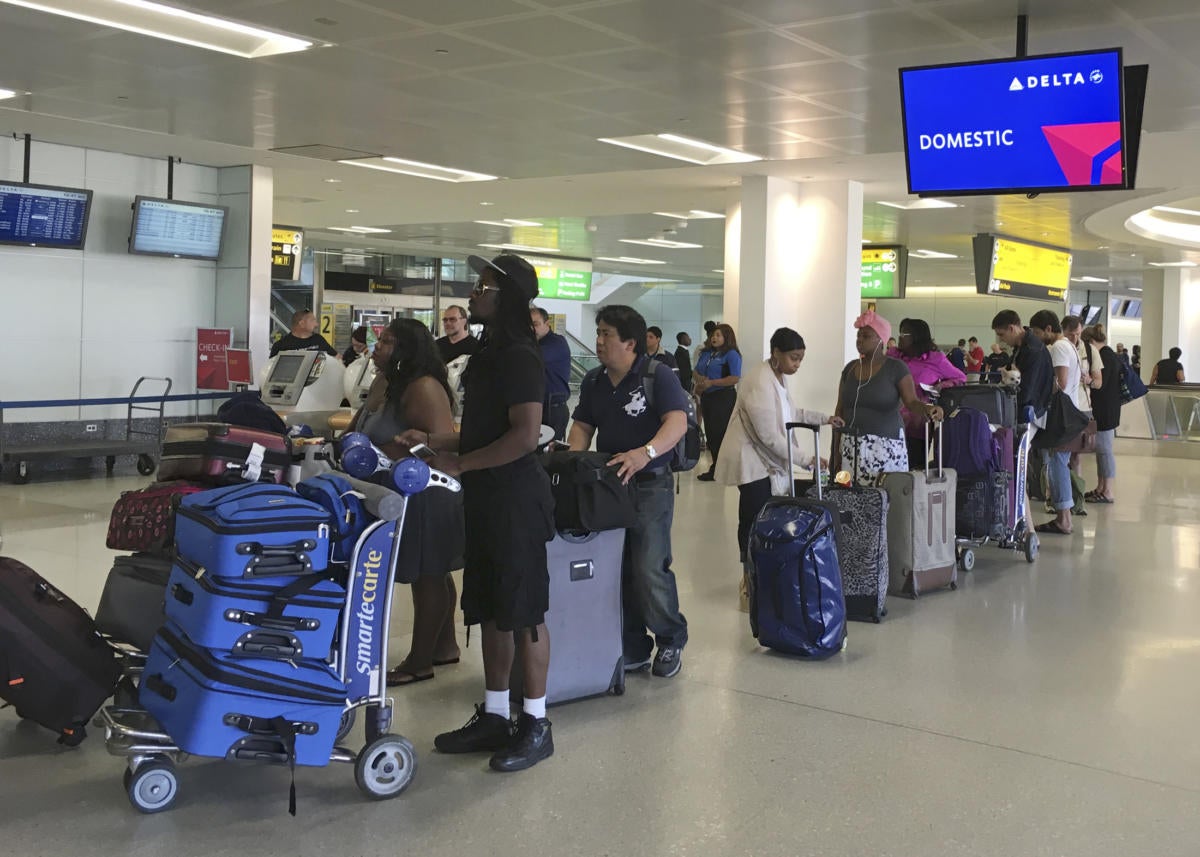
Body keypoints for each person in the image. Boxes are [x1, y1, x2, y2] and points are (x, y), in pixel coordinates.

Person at [396, 253, 556, 773]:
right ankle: (494, 713)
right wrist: (432, 439)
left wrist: (462, 463)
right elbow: (483, 428)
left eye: (482, 287)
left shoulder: (520, 356)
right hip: (486, 498)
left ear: (506, 295)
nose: (472, 294)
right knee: (487, 606)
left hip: (516, 501)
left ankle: (535, 722)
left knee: (524, 612)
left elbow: (525, 436)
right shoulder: (488, 353)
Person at [569, 305, 690, 678]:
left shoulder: (658, 375)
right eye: (599, 332)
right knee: (616, 568)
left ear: (631, 343)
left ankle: (670, 638)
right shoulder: (594, 381)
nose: (599, 341)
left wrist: (645, 453)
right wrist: (571, 461)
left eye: (607, 334)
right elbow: (583, 427)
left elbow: (678, 421)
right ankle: (633, 645)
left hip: (651, 484)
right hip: (610, 486)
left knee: (649, 566)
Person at [348, 318, 463, 687]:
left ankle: (419, 661)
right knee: (433, 572)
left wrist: (389, 451)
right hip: (393, 490)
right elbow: (359, 427)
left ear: (407, 351)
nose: (378, 347)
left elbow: (437, 446)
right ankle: (444, 646)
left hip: (427, 491)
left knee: (428, 574)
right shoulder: (386, 382)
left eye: (388, 342)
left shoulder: (424, 388)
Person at [715, 328, 843, 611]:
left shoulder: (777, 377)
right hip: (751, 462)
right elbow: (769, 436)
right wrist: (806, 459)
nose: (796, 365)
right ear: (776, 353)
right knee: (752, 520)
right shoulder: (759, 381)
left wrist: (824, 419)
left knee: (764, 518)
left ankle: (763, 575)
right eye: (793, 358)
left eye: (800, 360)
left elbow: (792, 414)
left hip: (765, 461)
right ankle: (749, 581)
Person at [833, 310, 943, 484]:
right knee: (850, 502)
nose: (859, 340)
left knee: (885, 501)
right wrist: (834, 454)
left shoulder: (895, 368)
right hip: (850, 448)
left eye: (866, 336)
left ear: (880, 339)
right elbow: (839, 411)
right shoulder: (849, 369)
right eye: (858, 335)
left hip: (885, 448)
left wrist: (928, 409)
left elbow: (912, 402)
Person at [1028, 309, 1082, 536]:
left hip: (1060, 415)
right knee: (1059, 462)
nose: (1037, 337)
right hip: (1069, 412)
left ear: (1048, 329)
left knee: (1057, 464)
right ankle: (1064, 515)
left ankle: (1063, 519)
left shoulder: (1059, 347)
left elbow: (1060, 382)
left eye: (1038, 333)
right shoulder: (1069, 346)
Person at [888, 318, 965, 469]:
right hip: (890, 421)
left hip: (918, 422)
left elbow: (960, 377)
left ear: (916, 336)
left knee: (914, 469)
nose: (900, 337)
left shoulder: (936, 359)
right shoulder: (893, 356)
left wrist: (942, 385)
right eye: (900, 333)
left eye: (904, 334)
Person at [693, 323, 742, 481]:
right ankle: (717, 467)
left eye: (718, 335)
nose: (714, 338)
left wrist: (712, 383)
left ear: (726, 337)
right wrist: (700, 380)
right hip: (707, 397)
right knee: (711, 433)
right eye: (713, 335)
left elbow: (734, 378)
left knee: (720, 433)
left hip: (723, 397)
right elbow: (696, 370)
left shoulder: (731, 354)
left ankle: (721, 469)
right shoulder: (706, 353)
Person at [991, 310, 1053, 426]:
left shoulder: (1033, 350)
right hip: (1021, 411)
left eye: (1001, 335)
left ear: (1011, 329)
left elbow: (1026, 393)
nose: (1001, 340)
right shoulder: (1020, 348)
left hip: (1030, 415)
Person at [1084, 325, 1121, 504]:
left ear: (1090, 342)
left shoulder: (1105, 357)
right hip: (1108, 408)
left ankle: (1108, 490)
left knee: (1105, 450)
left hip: (1106, 409)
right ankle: (1101, 487)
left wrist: (1089, 381)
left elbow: (1101, 384)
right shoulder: (1109, 354)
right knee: (1101, 450)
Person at [531, 307, 571, 441]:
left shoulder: (557, 343)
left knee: (550, 456)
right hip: (536, 407)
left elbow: (533, 358)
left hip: (553, 410)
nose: (532, 329)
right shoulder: (533, 344)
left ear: (547, 324)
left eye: (536, 324)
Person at [270, 309, 338, 358]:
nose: (316, 325)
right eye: (312, 321)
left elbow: (337, 357)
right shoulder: (280, 346)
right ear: (302, 323)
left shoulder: (319, 340)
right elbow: (270, 370)